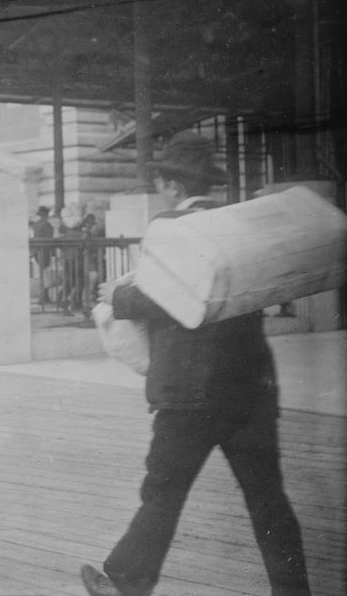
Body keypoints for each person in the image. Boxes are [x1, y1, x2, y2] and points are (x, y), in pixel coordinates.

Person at [80, 132, 310, 596]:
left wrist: (118, 296)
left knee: (164, 491)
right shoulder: (236, 226)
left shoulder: (170, 227)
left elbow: (170, 295)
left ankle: (127, 585)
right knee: (268, 500)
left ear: (169, 185)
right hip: (251, 387)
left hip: (187, 391)